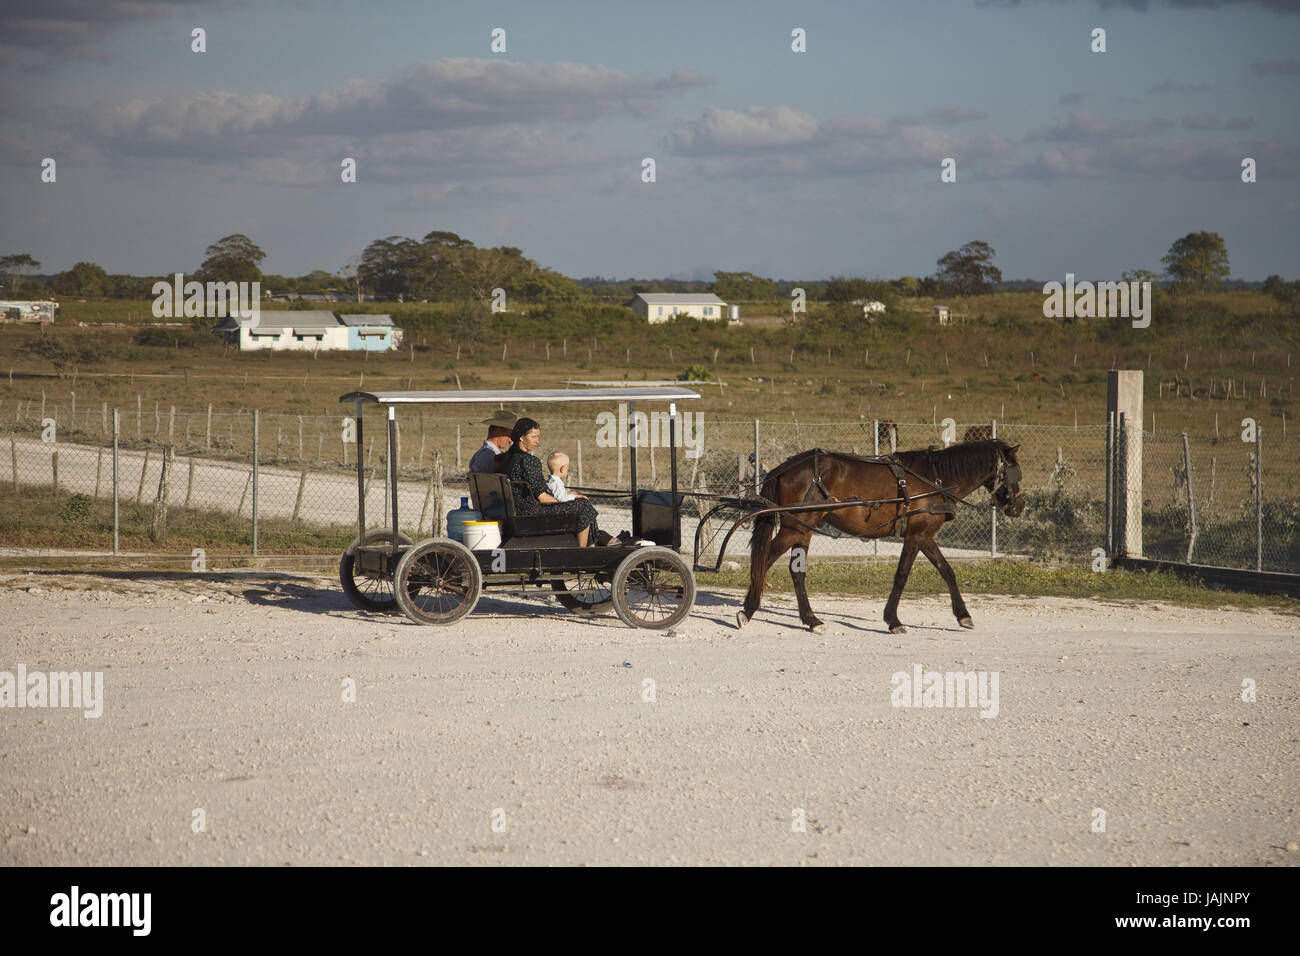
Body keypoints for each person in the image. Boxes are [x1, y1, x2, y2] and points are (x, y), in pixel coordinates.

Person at [502, 418, 611, 547]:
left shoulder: (509, 459)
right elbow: (542, 497)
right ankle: (584, 551)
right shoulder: (529, 461)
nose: (537, 441)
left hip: (519, 511)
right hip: (532, 513)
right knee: (584, 505)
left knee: (580, 503)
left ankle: (594, 545)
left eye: (538, 437)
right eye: (533, 437)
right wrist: (565, 502)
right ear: (521, 437)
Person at [469, 409, 517, 474]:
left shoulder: (480, 453)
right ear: (498, 432)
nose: (510, 440)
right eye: (509, 435)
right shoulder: (491, 455)